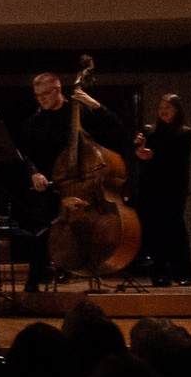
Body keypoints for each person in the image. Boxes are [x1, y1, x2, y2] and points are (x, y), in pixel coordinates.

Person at [17, 68, 129, 289]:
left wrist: (94, 104)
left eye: (45, 94)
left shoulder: (79, 112)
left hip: (83, 184)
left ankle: (93, 272)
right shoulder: (33, 123)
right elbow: (25, 156)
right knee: (42, 228)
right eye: (37, 96)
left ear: (58, 90)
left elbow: (117, 130)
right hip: (50, 186)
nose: (41, 100)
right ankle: (35, 281)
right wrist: (33, 173)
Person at [134, 93, 191, 287]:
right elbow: (141, 156)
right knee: (155, 230)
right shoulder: (150, 132)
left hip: (174, 186)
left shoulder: (185, 132)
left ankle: (183, 273)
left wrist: (153, 154)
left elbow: (177, 158)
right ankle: (160, 273)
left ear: (176, 110)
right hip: (152, 186)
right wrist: (138, 149)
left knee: (175, 228)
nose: (163, 111)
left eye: (168, 108)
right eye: (161, 108)